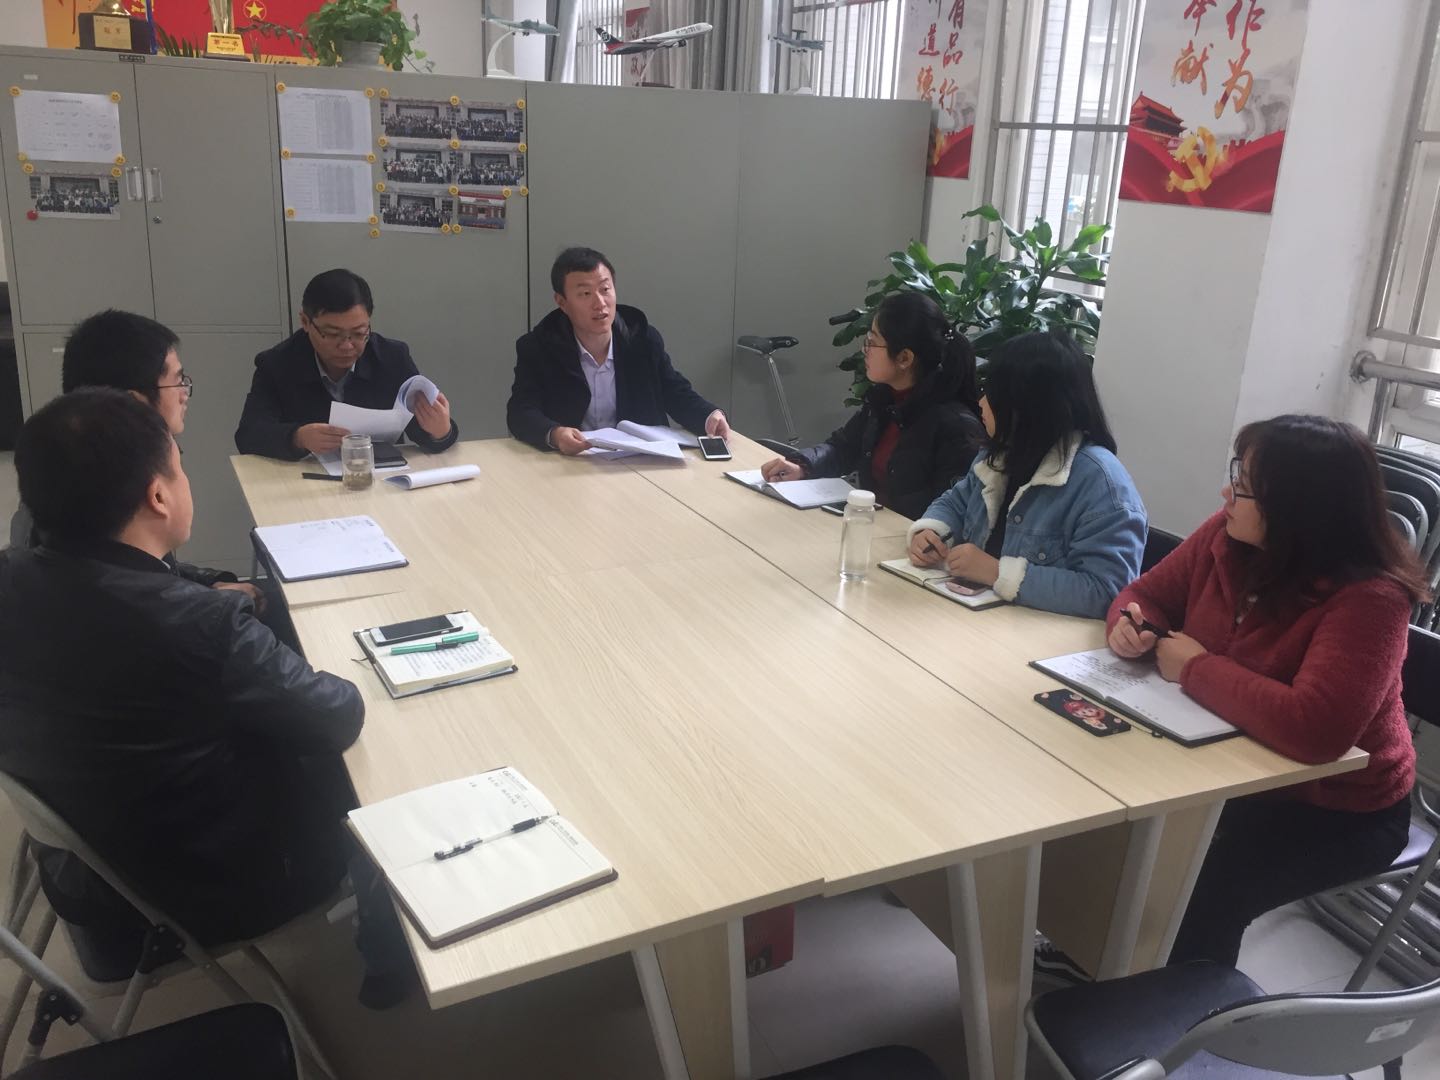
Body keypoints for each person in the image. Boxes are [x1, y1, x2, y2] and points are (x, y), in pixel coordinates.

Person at [0, 389, 410, 1007]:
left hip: (87, 876)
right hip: (206, 890)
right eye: (180, 467)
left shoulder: (12, 575)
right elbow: (336, 715)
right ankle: (391, 945)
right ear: (159, 496)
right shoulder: (199, 626)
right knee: (383, 757)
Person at [1107, 414, 1425, 968]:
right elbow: (1145, 594)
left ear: (1298, 508)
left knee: (1201, 882)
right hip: (1225, 764)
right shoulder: (1226, 535)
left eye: (1246, 486)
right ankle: (1104, 960)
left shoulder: (1371, 599)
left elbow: (1315, 729)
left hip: (1337, 808)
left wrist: (1196, 668)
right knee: (1116, 823)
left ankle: (1185, 1007)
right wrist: (1129, 626)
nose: (1227, 494)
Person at [7, 310, 263, 612]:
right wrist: (215, 606)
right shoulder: (112, 494)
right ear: (133, 401)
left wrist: (208, 585)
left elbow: (143, 574)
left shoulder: (70, 466)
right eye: (177, 382)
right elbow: (135, 602)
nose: (185, 394)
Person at [906, 330, 1146, 618]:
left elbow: (1106, 592)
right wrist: (932, 532)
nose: (981, 402)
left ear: (1026, 405)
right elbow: (956, 502)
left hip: (1037, 635)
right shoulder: (999, 453)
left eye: (992, 394)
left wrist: (997, 572)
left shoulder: (1101, 483)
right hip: (975, 618)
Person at [758, 292, 986, 520]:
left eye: (872, 342)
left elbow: (950, 516)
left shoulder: (956, 426)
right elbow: (842, 447)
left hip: (907, 537)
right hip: (869, 523)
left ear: (904, 358)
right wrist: (803, 467)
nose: (864, 350)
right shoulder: (885, 400)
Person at [506, 246, 730, 454]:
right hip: (573, 462)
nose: (600, 303)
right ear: (562, 302)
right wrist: (555, 435)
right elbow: (521, 412)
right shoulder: (539, 347)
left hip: (638, 460)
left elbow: (674, 391)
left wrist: (709, 415)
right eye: (585, 294)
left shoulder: (641, 338)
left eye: (605, 289)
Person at [235, 269, 458, 461]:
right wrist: (298, 438)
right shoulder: (277, 364)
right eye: (333, 334)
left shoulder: (391, 358)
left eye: (359, 333)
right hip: (306, 481)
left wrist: (441, 432)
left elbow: (422, 431)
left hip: (380, 478)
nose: (347, 346)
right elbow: (248, 435)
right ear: (305, 322)